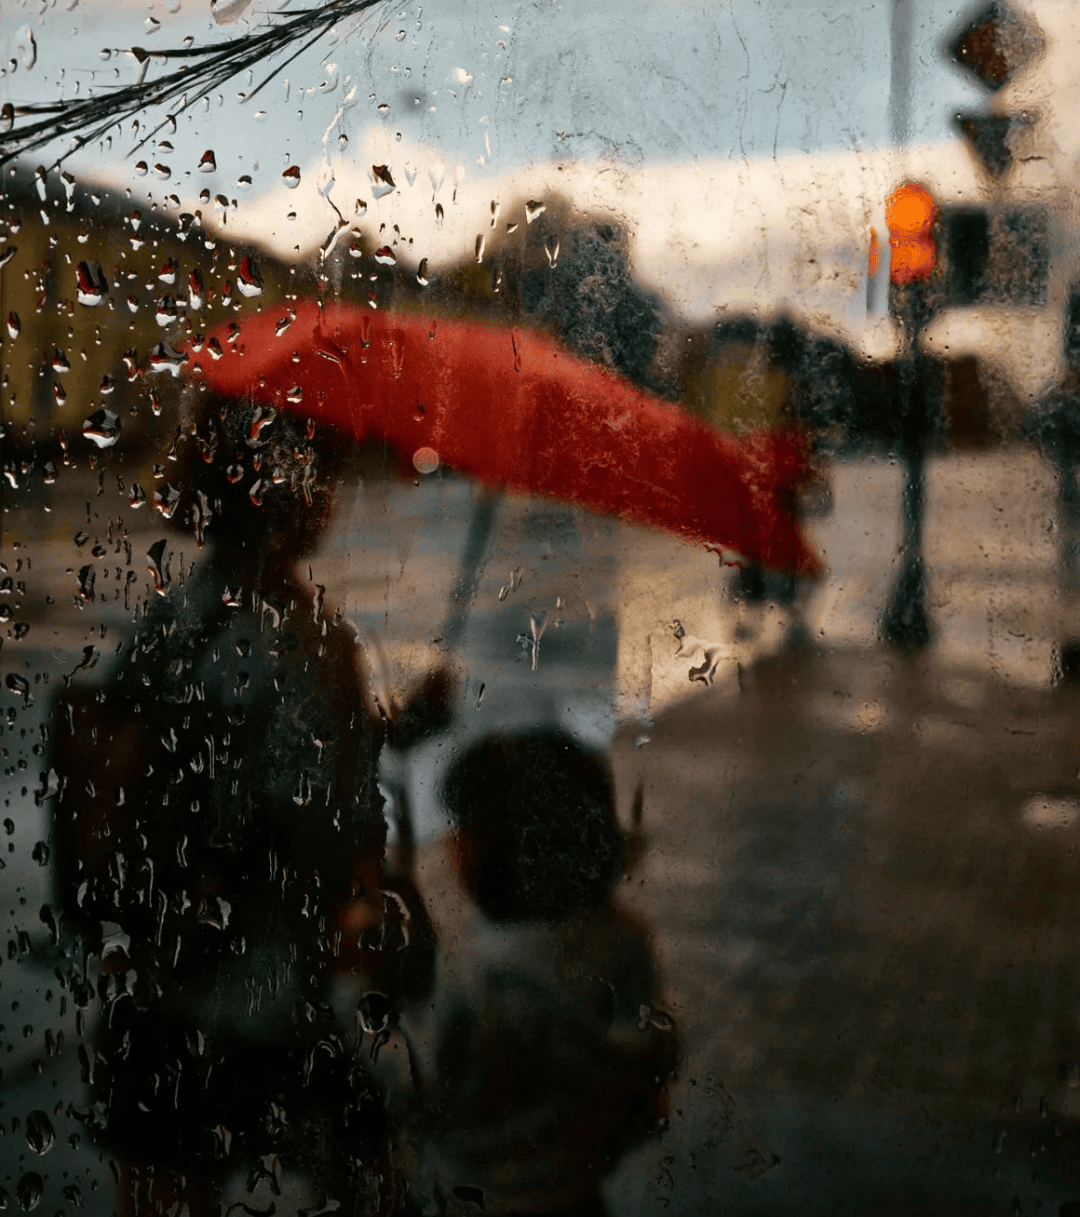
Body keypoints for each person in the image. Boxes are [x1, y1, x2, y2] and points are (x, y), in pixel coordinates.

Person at [53, 389, 392, 1215]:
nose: (332, 496)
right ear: (289, 490)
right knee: (368, 1181)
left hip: (164, 994)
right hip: (270, 1001)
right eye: (321, 474)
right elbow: (313, 819)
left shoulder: (173, 620)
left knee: (163, 1192)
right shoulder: (308, 636)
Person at [372, 729, 677, 1217]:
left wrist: (353, 999)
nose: (450, 841)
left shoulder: (475, 974)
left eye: (463, 826)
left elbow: (419, 1093)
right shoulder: (622, 938)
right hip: (578, 1192)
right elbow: (650, 1055)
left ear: (490, 847)